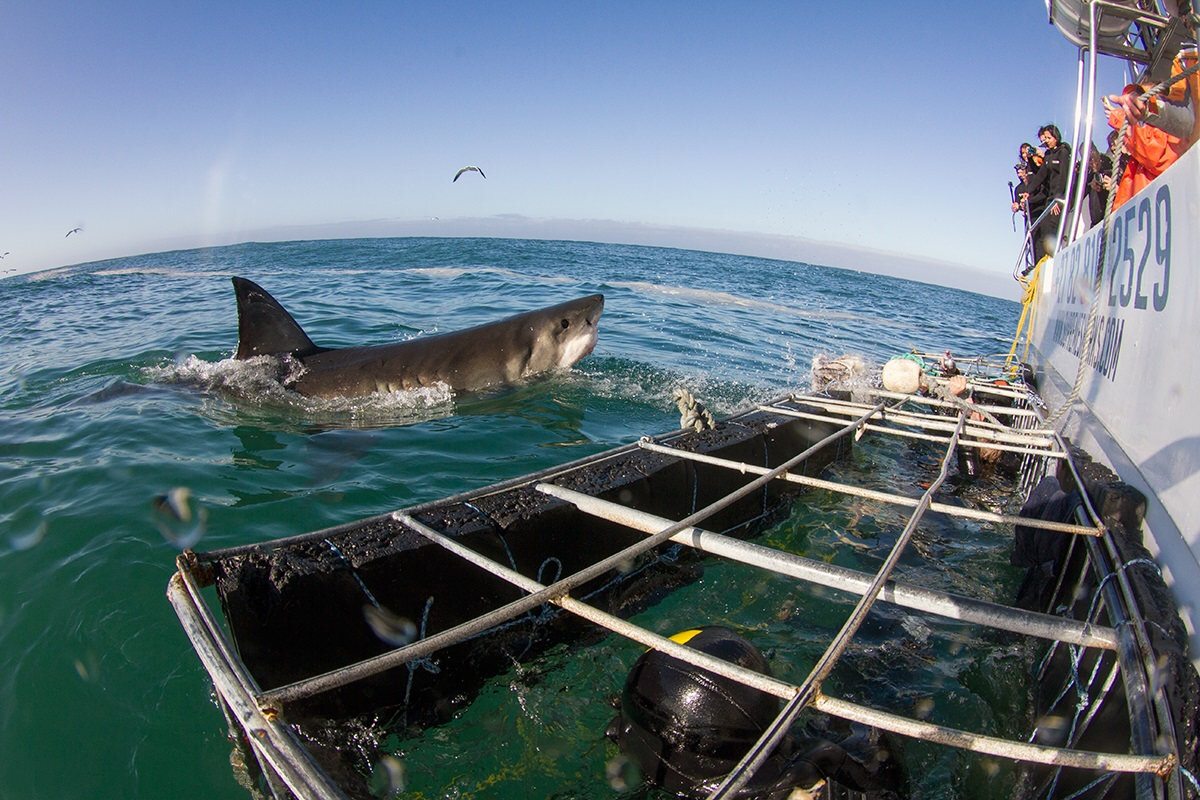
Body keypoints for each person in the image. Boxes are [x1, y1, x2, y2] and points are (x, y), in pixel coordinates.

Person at [1019, 124, 1071, 263]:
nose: (1046, 141)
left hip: (1059, 199)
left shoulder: (1063, 153)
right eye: (1044, 138)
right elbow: (1040, 176)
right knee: (1042, 230)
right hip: (1050, 199)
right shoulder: (1048, 155)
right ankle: (1042, 263)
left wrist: (1057, 199)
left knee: (1051, 231)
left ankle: (1052, 261)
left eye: (1049, 137)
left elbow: (1064, 178)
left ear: (1056, 137)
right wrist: (1028, 192)